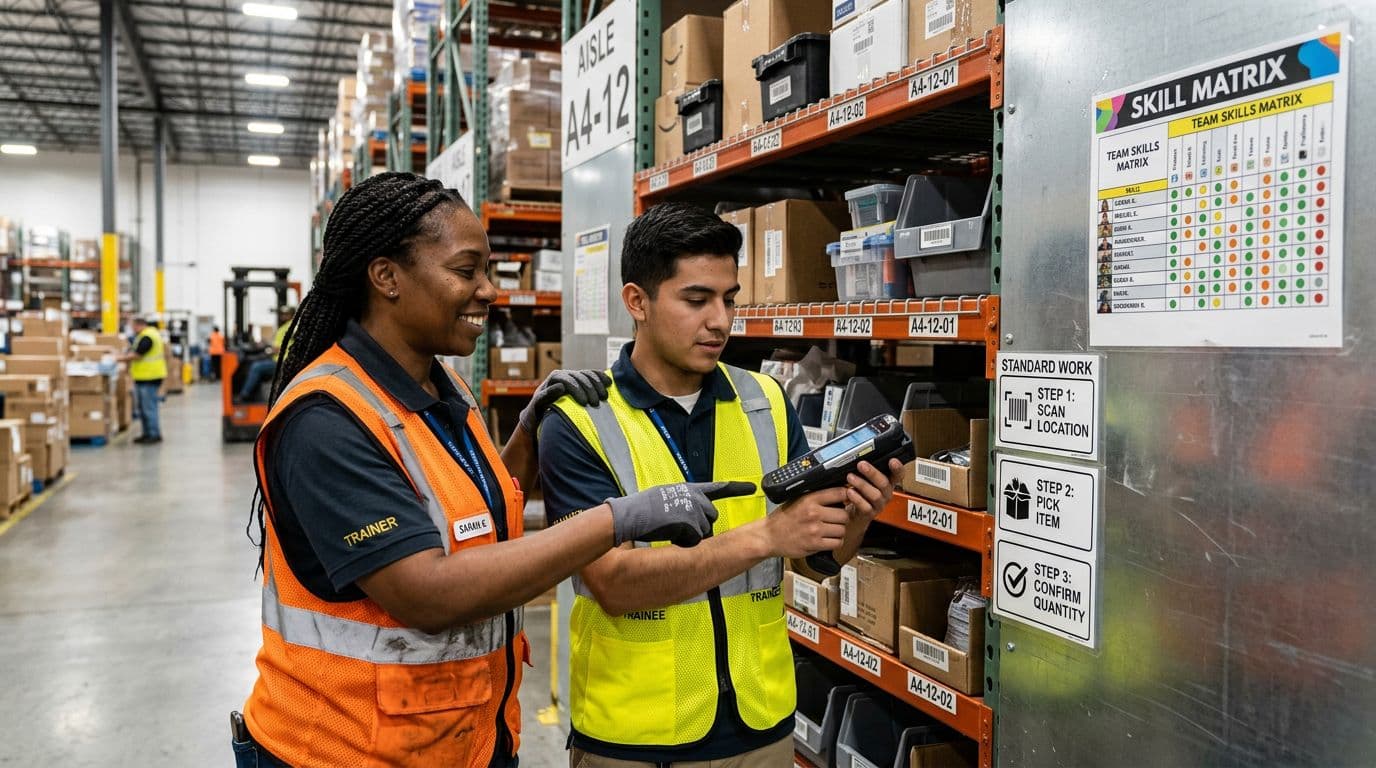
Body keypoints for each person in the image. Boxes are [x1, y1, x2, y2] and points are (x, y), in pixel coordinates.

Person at [234, 172, 736, 768]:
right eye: (465, 271)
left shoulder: (438, 386)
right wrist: (617, 519)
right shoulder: (327, 421)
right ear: (386, 276)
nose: (489, 290)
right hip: (342, 749)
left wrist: (526, 430)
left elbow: (472, 520)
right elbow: (427, 592)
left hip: (458, 741)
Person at [539, 203, 903, 767]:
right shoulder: (580, 422)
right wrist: (767, 535)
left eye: (729, 298)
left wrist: (857, 513)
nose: (721, 321)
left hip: (762, 731)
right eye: (696, 299)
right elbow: (614, 583)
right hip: (635, 741)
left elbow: (817, 560)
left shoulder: (765, 402)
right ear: (637, 301)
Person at [121, 317, 167, 444]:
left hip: (150, 377)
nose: (132, 329)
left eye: (132, 326)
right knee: (142, 407)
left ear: (139, 325)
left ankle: (153, 434)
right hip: (144, 377)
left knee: (149, 407)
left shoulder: (148, 337)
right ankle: (147, 433)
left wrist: (118, 358)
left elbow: (137, 355)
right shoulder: (144, 335)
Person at [235, 306, 295, 403]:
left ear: (291, 315)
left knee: (256, 367)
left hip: (282, 362)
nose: (283, 316)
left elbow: (278, 348)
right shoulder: (288, 327)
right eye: (282, 314)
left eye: (286, 314)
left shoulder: (289, 327)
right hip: (280, 360)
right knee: (257, 364)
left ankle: (244, 395)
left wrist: (268, 349)